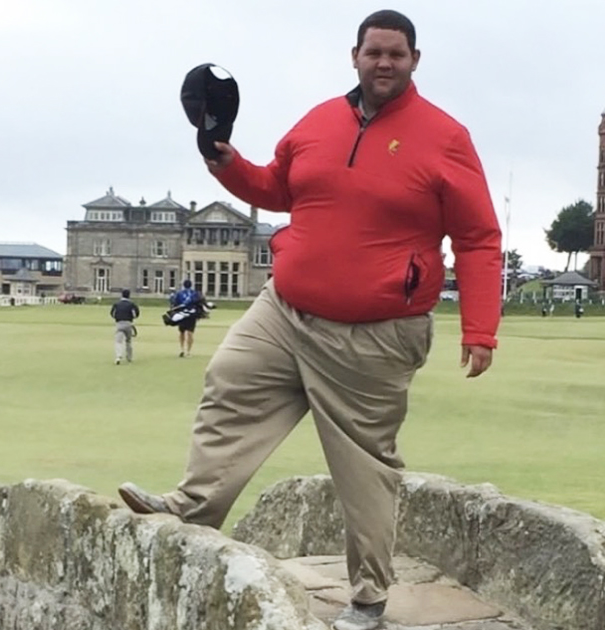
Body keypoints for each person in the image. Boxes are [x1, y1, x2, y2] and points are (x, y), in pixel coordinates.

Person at [118, 10, 502, 630]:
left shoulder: (445, 137)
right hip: (285, 309)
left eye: (396, 53)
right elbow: (276, 188)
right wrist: (225, 161)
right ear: (355, 56)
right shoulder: (319, 120)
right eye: (374, 52)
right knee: (230, 378)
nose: (384, 62)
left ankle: (369, 595)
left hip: (374, 333)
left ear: (414, 60)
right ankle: (192, 507)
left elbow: (480, 237)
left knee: (362, 466)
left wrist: (480, 330)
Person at [168, 279, 203, 357]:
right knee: (190, 333)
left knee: (182, 332)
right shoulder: (195, 293)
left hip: (182, 315)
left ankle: (182, 349)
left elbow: (175, 304)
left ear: (183, 285)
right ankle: (188, 351)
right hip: (191, 315)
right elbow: (199, 304)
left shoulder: (179, 294)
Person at [110, 288, 140, 365]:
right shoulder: (132, 304)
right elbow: (136, 314)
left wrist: (116, 318)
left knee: (118, 341)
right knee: (128, 341)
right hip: (128, 323)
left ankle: (118, 356)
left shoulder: (117, 304)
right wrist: (132, 318)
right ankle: (129, 357)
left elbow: (112, 313)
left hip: (119, 323)